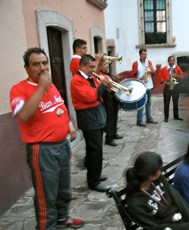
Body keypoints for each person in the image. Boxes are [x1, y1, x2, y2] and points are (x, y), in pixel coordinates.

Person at [9, 47, 84, 229]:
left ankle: (62, 217)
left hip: (62, 145)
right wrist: (42, 87)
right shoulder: (19, 89)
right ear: (26, 68)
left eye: (44, 63)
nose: (42, 67)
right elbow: (24, 115)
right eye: (36, 64)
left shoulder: (49, 85)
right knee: (46, 194)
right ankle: (46, 225)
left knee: (63, 188)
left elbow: (58, 107)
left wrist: (69, 124)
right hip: (42, 149)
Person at [125, 152, 189, 230]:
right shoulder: (135, 204)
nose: (160, 172)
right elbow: (156, 227)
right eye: (159, 169)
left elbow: (176, 197)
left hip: (182, 216)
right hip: (169, 226)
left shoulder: (156, 178)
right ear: (151, 176)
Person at [70, 54, 111, 192]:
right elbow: (90, 97)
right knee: (94, 150)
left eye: (95, 66)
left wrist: (107, 85)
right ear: (82, 66)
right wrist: (102, 87)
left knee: (97, 149)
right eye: (91, 67)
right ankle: (93, 181)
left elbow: (98, 92)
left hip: (96, 116)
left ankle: (96, 175)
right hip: (88, 118)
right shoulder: (77, 80)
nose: (94, 70)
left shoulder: (90, 77)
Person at [99, 59, 123, 146]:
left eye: (107, 65)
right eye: (105, 65)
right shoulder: (100, 75)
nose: (107, 66)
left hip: (113, 97)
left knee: (114, 117)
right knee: (110, 119)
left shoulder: (107, 74)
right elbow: (104, 88)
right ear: (100, 66)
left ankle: (114, 133)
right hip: (107, 99)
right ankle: (109, 138)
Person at [131, 48, 158, 127]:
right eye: (144, 54)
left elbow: (154, 72)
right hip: (140, 85)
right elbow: (133, 75)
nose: (145, 56)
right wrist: (141, 77)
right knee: (141, 103)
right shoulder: (136, 63)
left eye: (146, 54)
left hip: (149, 85)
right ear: (140, 55)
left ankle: (149, 118)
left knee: (148, 103)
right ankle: (139, 121)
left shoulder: (149, 62)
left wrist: (150, 70)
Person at [158, 55, 184, 122]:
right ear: (168, 61)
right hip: (167, 87)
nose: (172, 62)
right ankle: (166, 117)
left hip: (176, 87)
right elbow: (160, 76)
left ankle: (176, 116)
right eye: (170, 60)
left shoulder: (178, 68)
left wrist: (176, 75)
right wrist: (165, 82)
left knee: (176, 102)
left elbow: (182, 76)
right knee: (166, 102)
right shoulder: (164, 69)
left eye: (173, 60)